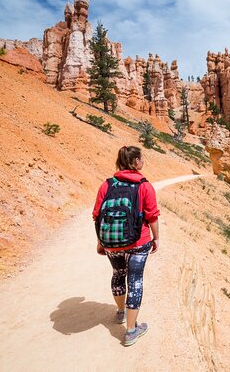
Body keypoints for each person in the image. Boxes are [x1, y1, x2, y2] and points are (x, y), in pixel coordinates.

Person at [92, 145, 160, 346]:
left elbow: (97, 216)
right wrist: (156, 238)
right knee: (136, 280)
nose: (143, 161)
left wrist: (101, 242)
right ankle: (131, 330)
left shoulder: (107, 185)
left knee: (118, 275)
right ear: (136, 161)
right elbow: (152, 215)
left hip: (112, 244)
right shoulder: (144, 186)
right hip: (139, 242)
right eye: (142, 159)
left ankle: (121, 312)